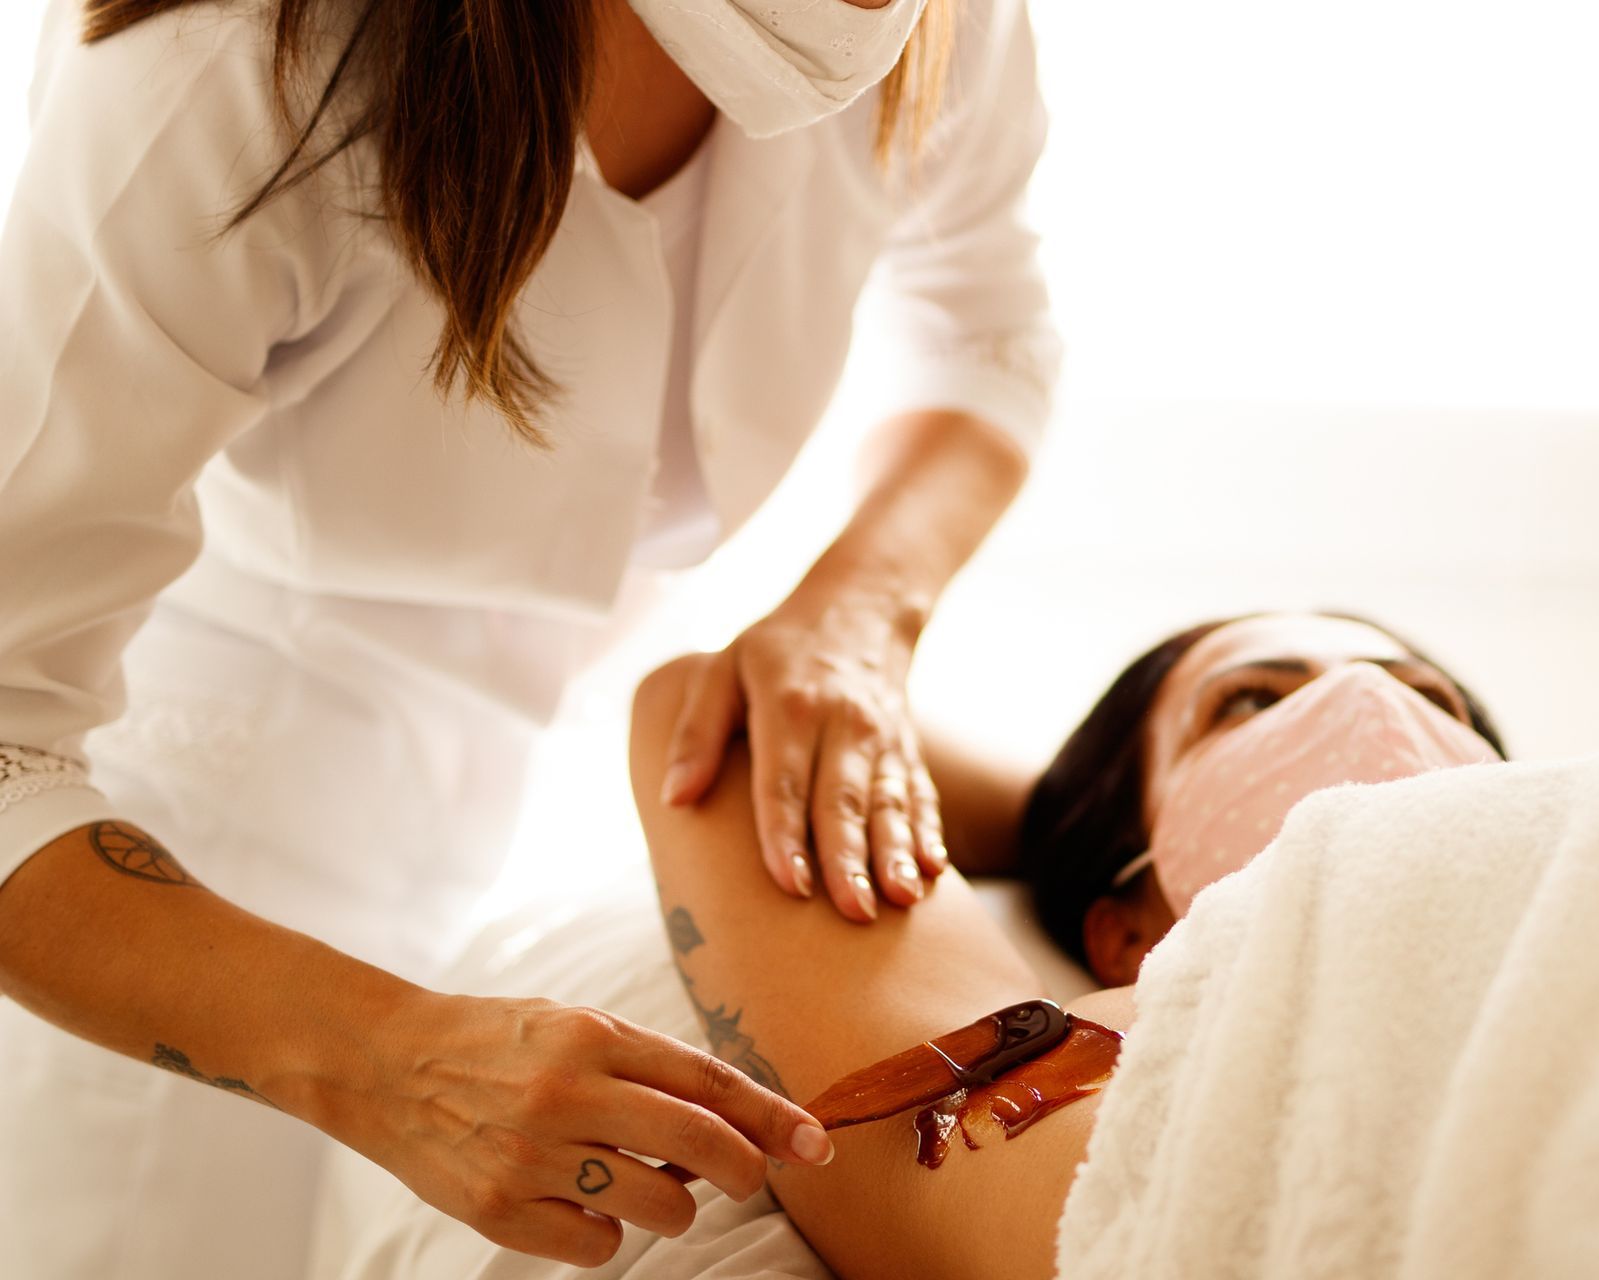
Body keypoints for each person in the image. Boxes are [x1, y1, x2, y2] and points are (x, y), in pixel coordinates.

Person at [0, 0, 1058, 1273]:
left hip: (532, 829)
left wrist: (857, 613)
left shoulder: (939, 23)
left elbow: (982, 333)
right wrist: (384, 1056)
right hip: (173, 904)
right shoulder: (221, 66)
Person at [624, 611, 1506, 1278]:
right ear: (1125, 933)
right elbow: (738, 714)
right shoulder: (1112, 1071)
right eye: (1250, 701)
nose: (1370, 710)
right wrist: (1069, 830)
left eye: (1428, 702)